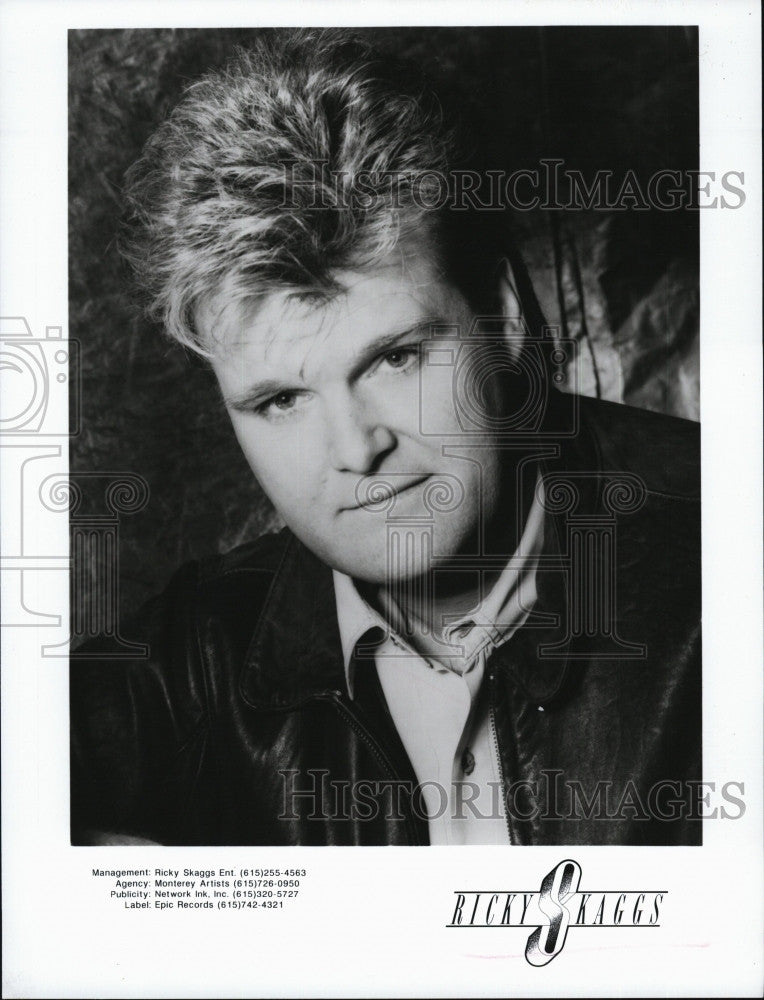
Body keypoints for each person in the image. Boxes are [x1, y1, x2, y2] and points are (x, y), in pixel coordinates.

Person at [70, 29, 701, 846]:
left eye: (396, 358)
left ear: (504, 319)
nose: (356, 447)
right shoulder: (196, 659)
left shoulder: (725, 556)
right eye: (281, 400)